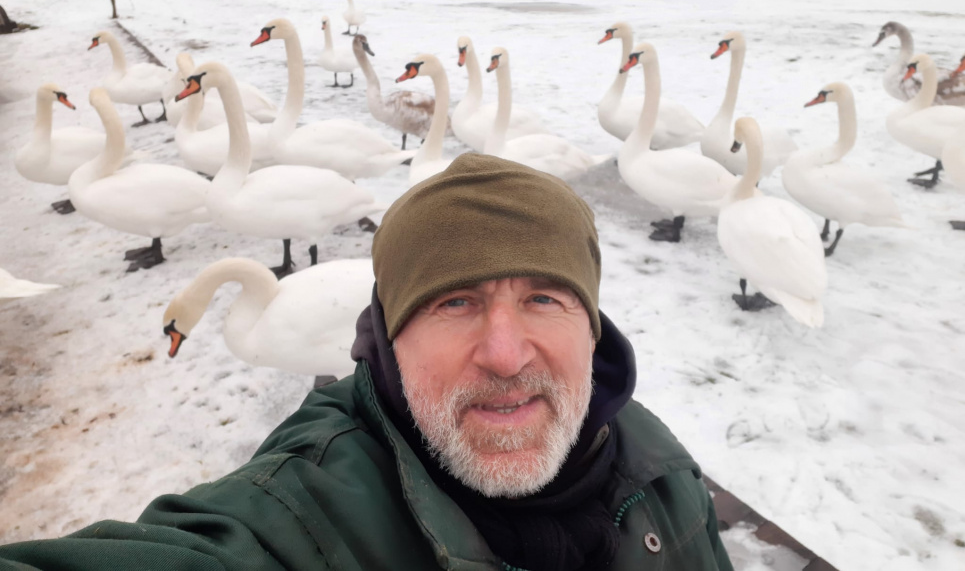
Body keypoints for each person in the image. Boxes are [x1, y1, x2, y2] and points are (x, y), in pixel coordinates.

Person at [0, 154, 732, 571]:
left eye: (544, 298)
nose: (506, 356)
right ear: (381, 338)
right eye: (453, 303)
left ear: (592, 327)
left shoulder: (663, 476)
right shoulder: (303, 522)